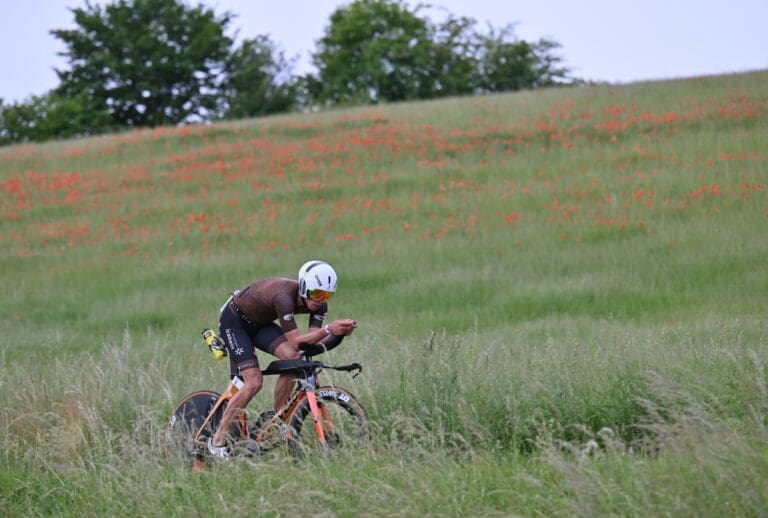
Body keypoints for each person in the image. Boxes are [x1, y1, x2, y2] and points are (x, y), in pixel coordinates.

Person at [207, 260, 357, 458]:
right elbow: (296, 341)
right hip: (234, 321)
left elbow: (311, 343)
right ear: (303, 287)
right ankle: (216, 441)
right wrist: (330, 329)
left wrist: (338, 335)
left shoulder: (319, 306)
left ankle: (279, 418)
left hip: (260, 324)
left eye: (326, 295)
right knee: (253, 382)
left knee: (294, 360)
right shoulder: (283, 297)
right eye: (315, 294)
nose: (319, 300)